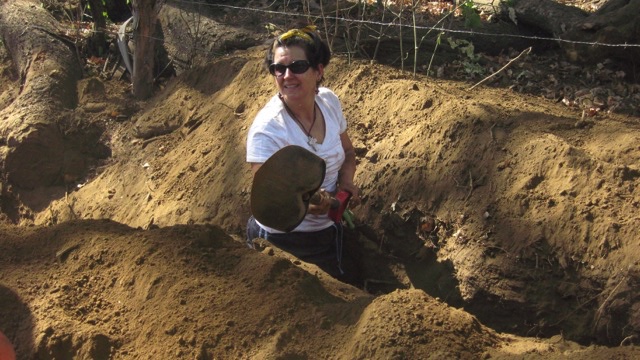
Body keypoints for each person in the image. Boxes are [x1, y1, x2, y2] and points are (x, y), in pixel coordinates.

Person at [246, 25, 361, 282]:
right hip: (285, 242)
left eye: (297, 66)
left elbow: (349, 152)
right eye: (279, 68)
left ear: (318, 70)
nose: (287, 76)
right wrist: (314, 205)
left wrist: (346, 184)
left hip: (330, 231)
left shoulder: (329, 103)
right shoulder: (268, 131)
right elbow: (274, 201)